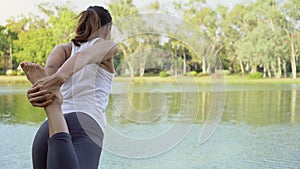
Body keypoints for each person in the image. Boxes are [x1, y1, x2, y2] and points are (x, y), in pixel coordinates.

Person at [20, 6, 117, 169]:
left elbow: (47, 78)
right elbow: (84, 56)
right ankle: (54, 105)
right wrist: (58, 79)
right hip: (85, 123)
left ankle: (53, 107)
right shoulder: (107, 46)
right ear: (108, 28)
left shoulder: (62, 50)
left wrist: (41, 89)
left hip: (48, 128)